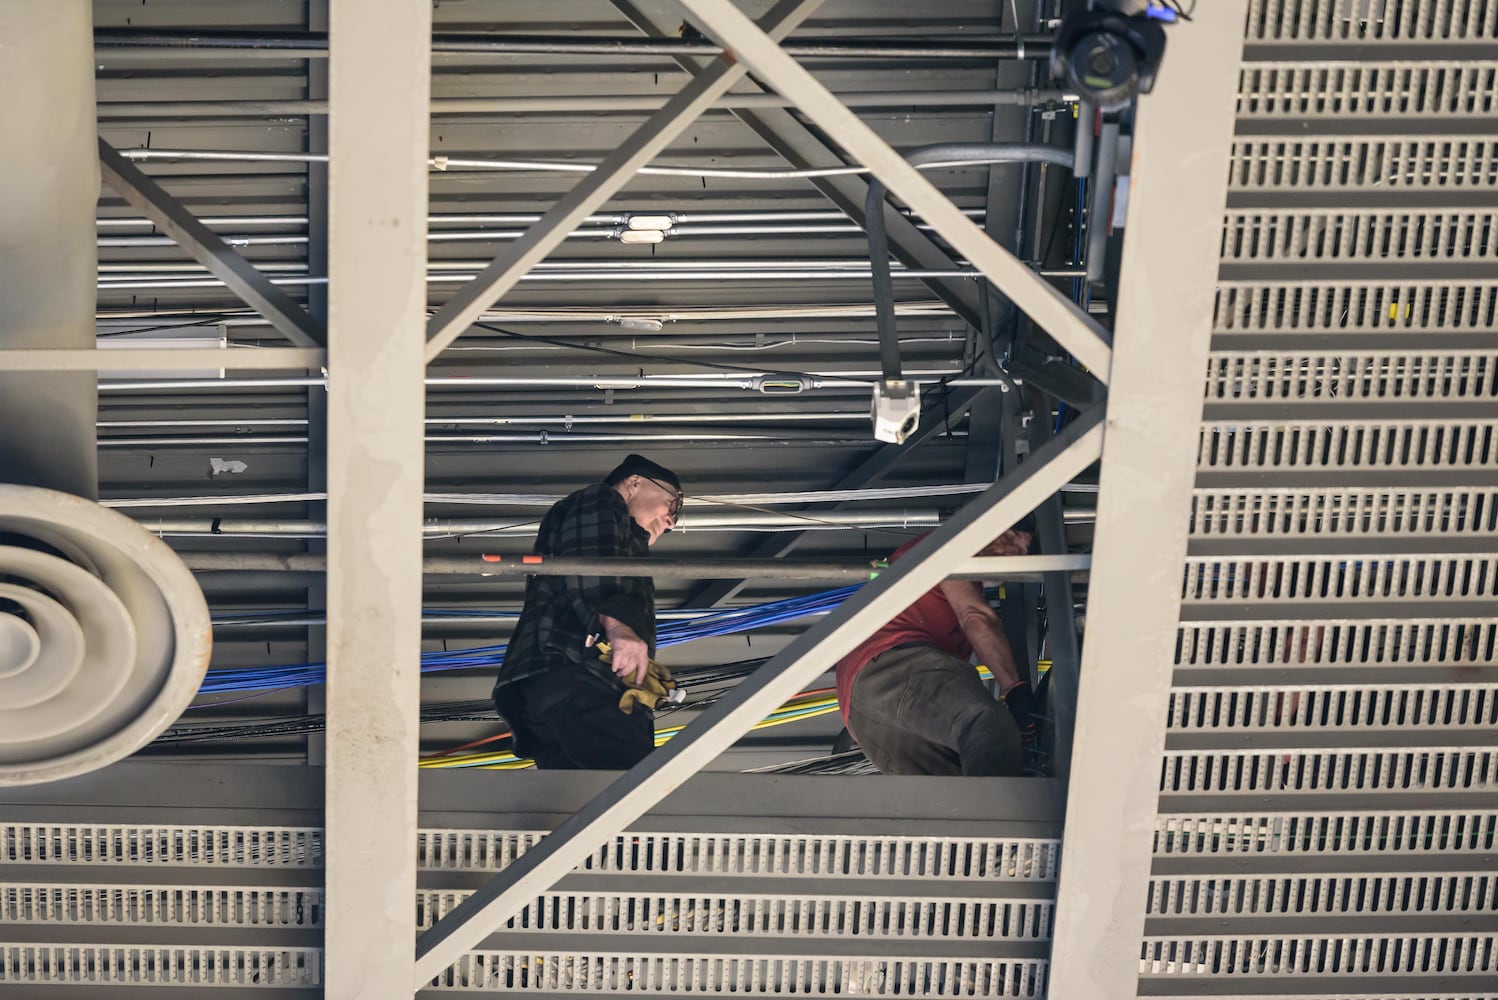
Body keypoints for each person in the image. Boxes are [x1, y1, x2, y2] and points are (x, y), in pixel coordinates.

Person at [492, 454, 683, 770]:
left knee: (577, 798)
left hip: (556, 683)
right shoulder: (600, 499)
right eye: (671, 504)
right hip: (581, 676)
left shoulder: (617, 534)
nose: (671, 520)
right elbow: (591, 561)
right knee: (630, 789)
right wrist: (621, 627)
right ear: (634, 483)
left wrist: (638, 541)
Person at [834, 528, 1039, 776]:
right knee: (985, 724)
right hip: (892, 664)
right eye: (1013, 534)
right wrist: (1015, 690)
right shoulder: (949, 543)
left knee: (953, 795)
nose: (1024, 542)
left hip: (863, 715)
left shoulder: (942, 605)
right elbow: (975, 618)